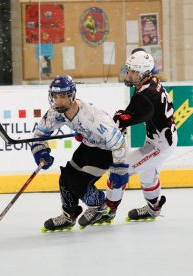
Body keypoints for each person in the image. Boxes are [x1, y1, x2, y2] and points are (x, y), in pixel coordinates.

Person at [31, 75, 129, 231]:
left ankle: (100, 206)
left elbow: (119, 143)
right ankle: (68, 215)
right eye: (55, 97)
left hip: (105, 151)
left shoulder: (92, 117)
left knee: (79, 184)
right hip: (87, 146)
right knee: (65, 178)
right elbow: (39, 134)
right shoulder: (55, 113)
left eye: (63, 96)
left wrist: (120, 169)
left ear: (72, 95)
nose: (58, 101)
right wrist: (40, 151)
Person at [101, 51, 178, 222]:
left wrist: (118, 123)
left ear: (144, 73)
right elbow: (137, 113)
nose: (129, 74)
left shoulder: (146, 94)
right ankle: (154, 208)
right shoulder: (151, 82)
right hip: (159, 140)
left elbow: (135, 115)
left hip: (160, 145)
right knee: (147, 175)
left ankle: (108, 211)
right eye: (129, 70)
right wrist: (122, 119)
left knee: (120, 170)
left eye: (134, 72)